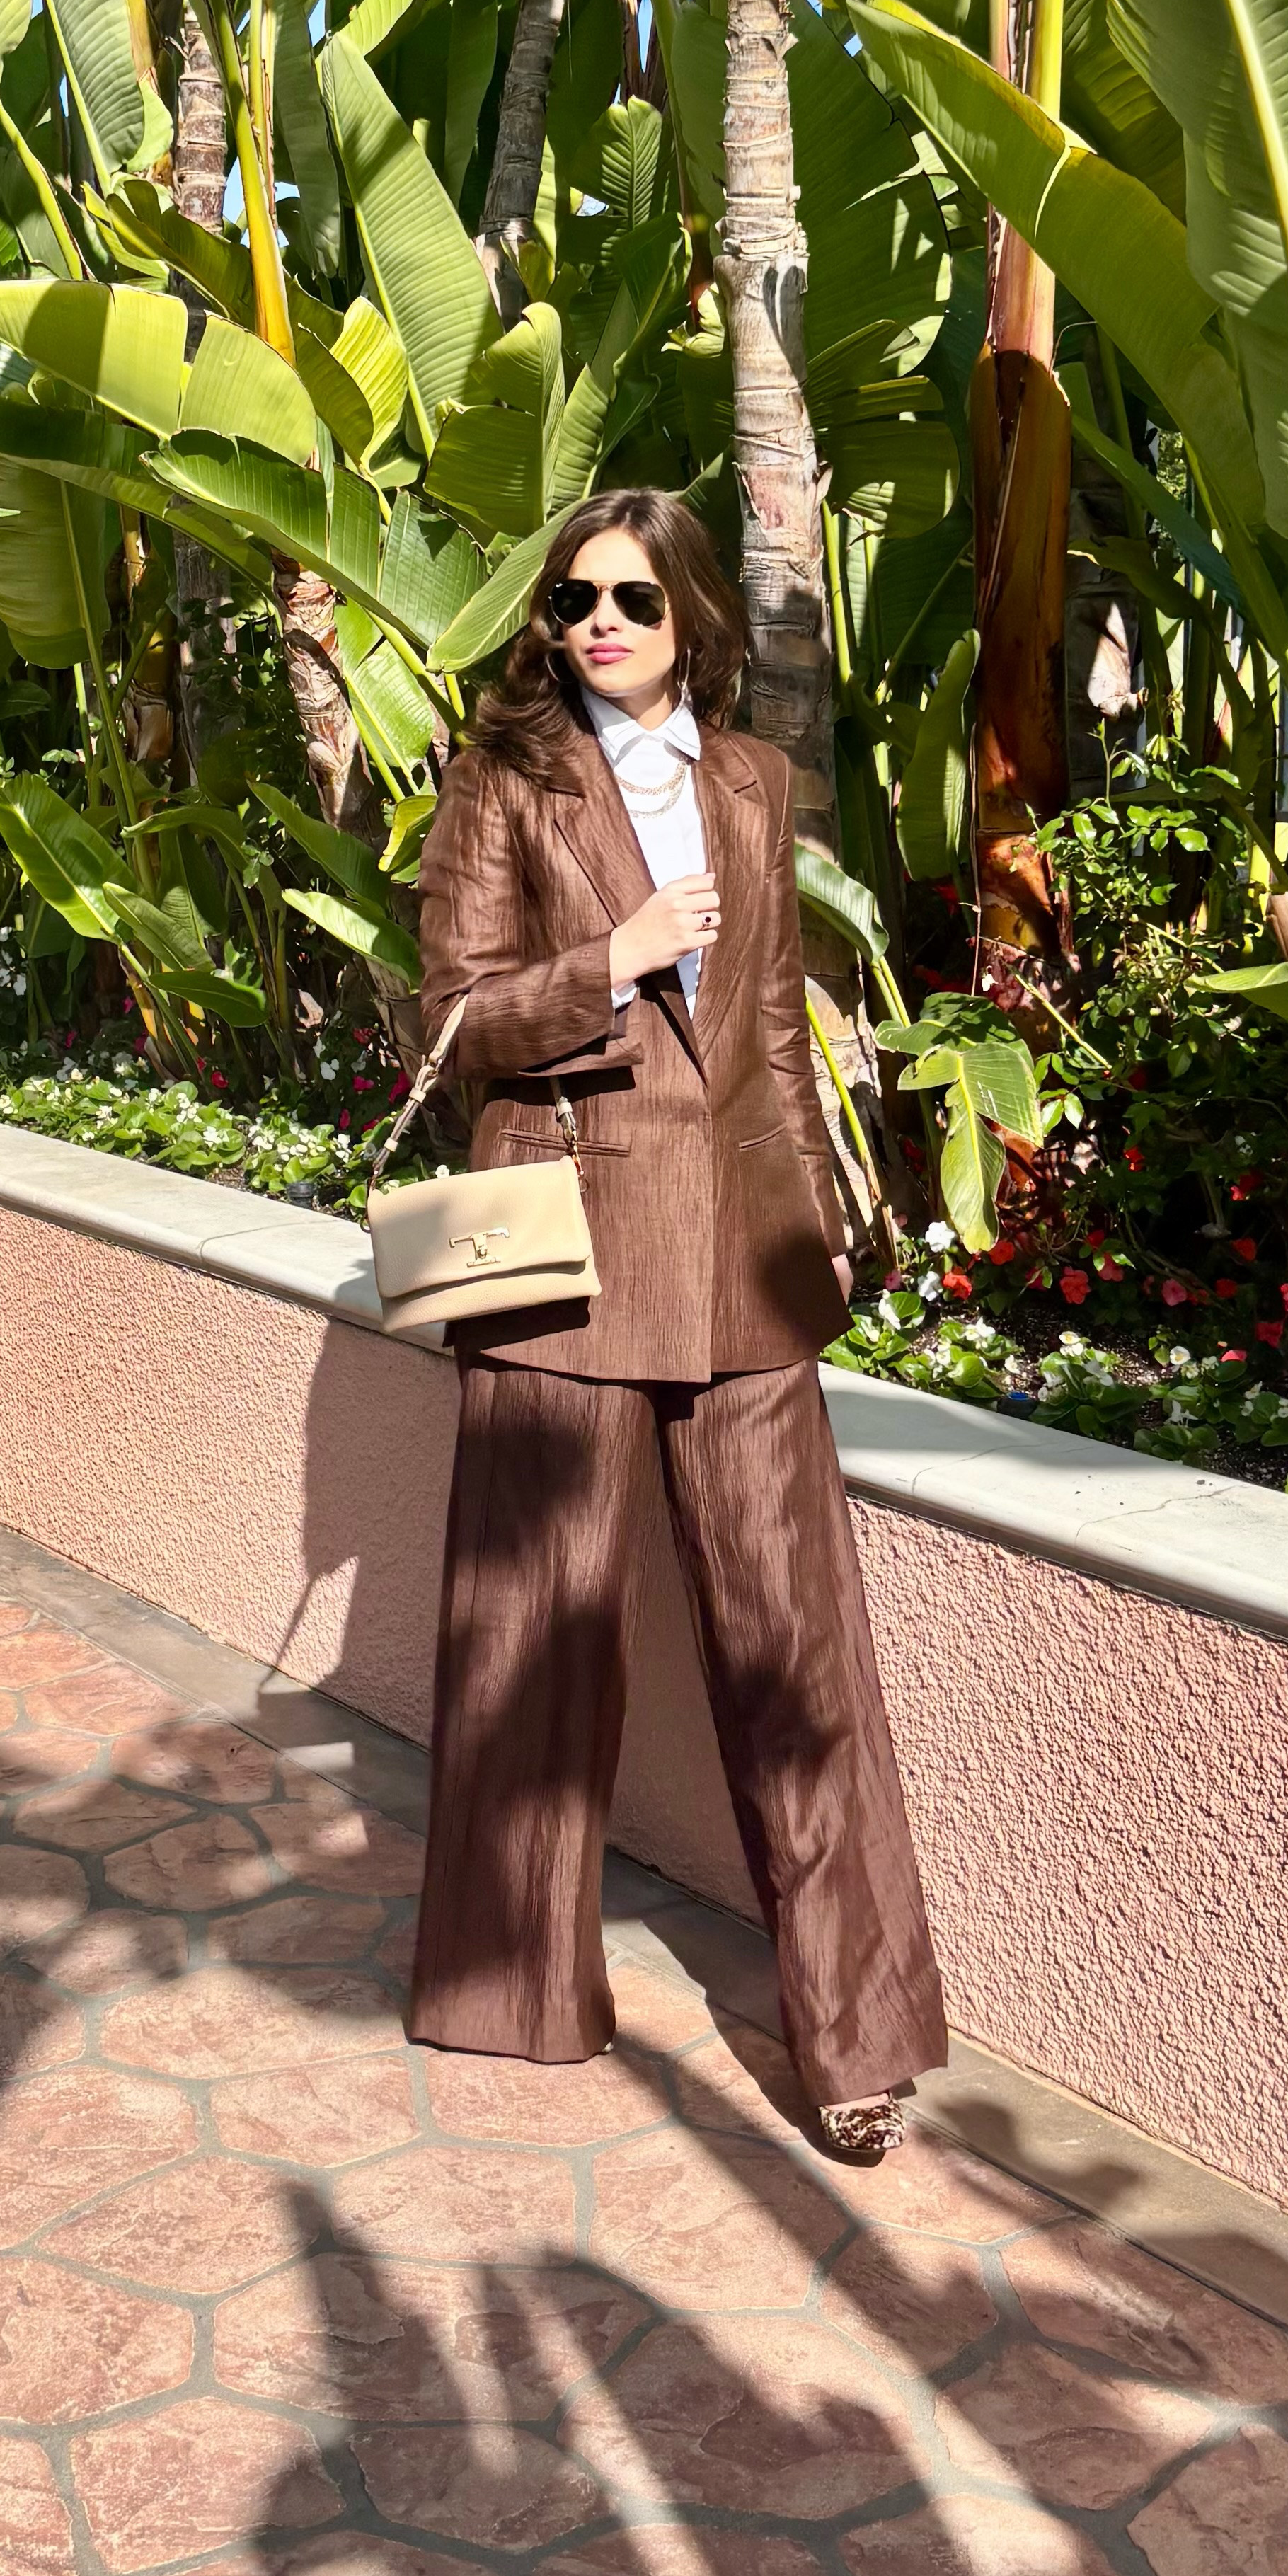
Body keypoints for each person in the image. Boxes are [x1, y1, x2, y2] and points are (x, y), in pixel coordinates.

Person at [402, 485, 949, 2161]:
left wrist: (818, 1235)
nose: (600, 629)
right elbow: (451, 1020)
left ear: (691, 613)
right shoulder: (504, 782)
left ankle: (853, 2037)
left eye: (631, 600)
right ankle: (512, 1982)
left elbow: (775, 1027)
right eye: (573, 603)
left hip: (737, 1268)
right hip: (564, 1250)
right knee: (531, 1646)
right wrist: (613, 961)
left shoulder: (753, 782)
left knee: (799, 1659)